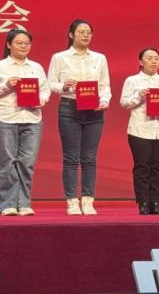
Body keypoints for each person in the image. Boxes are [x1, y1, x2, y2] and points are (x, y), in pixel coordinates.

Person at [0, 28, 49, 216]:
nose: (23, 46)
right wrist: (6, 85)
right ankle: (7, 204)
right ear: (9, 44)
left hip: (32, 118)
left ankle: (23, 203)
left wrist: (41, 100)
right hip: (5, 118)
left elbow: (45, 90)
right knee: (6, 162)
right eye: (19, 43)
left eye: (27, 43)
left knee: (27, 163)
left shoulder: (36, 67)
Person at [47, 19, 111, 216]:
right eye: (81, 32)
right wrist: (64, 86)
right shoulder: (60, 57)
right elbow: (51, 83)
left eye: (88, 32)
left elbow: (105, 85)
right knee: (71, 158)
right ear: (71, 34)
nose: (85, 35)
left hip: (94, 110)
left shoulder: (99, 58)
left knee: (90, 158)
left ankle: (88, 199)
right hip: (70, 108)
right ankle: (72, 201)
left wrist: (104, 101)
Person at [120, 48, 159, 215]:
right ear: (141, 62)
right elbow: (124, 102)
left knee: (158, 166)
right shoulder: (132, 80)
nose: (153, 61)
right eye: (149, 58)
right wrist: (138, 96)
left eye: (156, 58)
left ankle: (156, 202)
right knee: (142, 166)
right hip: (140, 129)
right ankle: (143, 202)